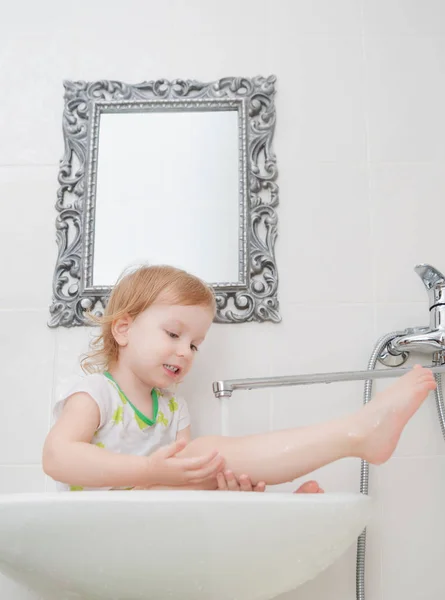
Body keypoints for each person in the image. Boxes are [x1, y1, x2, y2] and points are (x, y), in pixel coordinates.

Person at [43, 265, 436, 492]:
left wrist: (218, 484)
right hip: (94, 526)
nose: (185, 351)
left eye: (195, 344)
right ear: (124, 330)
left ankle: (282, 516)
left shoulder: (173, 408)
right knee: (207, 452)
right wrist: (149, 471)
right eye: (173, 334)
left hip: (149, 523)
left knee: (209, 466)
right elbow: (57, 457)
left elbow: (183, 485)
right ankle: (355, 434)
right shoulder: (94, 394)